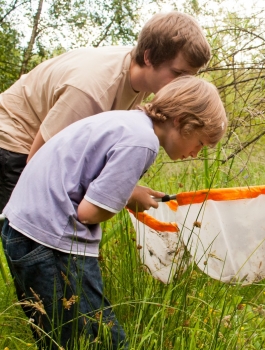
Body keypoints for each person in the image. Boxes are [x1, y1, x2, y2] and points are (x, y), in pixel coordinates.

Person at [1, 75, 228, 349]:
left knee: (59, 336)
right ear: (181, 121)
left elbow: (84, 176)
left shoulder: (127, 122)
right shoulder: (143, 142)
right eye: (201, 143)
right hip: (52, 240)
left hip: (24, 229)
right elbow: (89, 213)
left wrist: (130, 192)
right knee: (102, 340)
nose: (195, 153)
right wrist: (124, 201)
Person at [0, 11, 211, 213]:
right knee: (29, 229)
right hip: (14, 141)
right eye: (178, 73)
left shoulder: (143, 79)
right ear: (149, 57)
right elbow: (43, 162)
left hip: (36, 145)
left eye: (189, 77)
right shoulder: (93, 89)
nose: (183, 84)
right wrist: (125, 193)